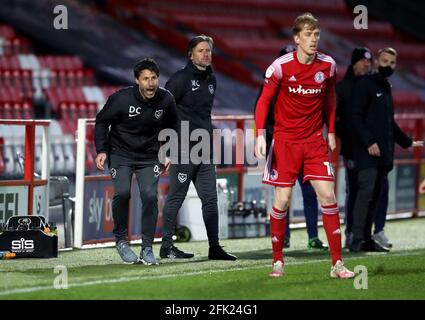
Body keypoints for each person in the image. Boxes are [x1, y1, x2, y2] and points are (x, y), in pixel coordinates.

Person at [255, 13, 354, 278]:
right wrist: (259, 135)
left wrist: (330, 130)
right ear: (297, 38)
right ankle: (278, 261)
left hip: (313, 142)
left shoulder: (328, 66)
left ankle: (337, 264)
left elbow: (330, 98)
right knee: (283, 200)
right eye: (308, 34)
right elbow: (264, 101)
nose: (313, 39)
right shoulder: (280, 67)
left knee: (328, 197)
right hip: (285, 142)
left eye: (316, 34)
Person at [159, 35, 237, 261]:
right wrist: (165, 147)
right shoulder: (180, 79)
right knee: (176, 197)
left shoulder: (212, 80)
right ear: (190, 54)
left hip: (204, 147)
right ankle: (166, 247)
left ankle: (215, 247)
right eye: (201, 50)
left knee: (210, 199)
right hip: (183, 147)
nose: (206, 54)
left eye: (208, 50)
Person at [94, 58, 178, 265]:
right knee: (122, 193)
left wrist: (167, 152)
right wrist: (101, 150)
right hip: (120, 154)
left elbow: (173, 126)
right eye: (145, 79)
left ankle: (147, 248)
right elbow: (102, 122)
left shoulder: (166, 99)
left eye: (154, 78)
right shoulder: (120, 99)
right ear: (137, 81)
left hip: (149, 157)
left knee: (150, 197)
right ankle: (121, 241)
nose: (150, 83)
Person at [349, 47, 424, 252]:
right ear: (376, 62)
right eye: (385, 61)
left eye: (392, 63)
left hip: (383, 155)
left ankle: (366, 239)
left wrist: (407, 142)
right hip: (367, 154)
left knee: (374, 197)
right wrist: (369, 142)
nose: (388, 65)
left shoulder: (386, 86)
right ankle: (356, 239)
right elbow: (355, 116)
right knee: (365, 195)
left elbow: (388, 123)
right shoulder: (365, 84)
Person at [256, 44, 327, 250]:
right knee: (283, 194)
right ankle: (283, 236)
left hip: (305, 145)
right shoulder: (271, 85)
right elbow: (262, 114)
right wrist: (274, 139)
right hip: (283, 147)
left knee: (309, 191)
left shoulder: (305, 83)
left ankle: (312, 236)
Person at [335, 47, 372, 246]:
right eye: (363, 60)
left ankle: (368, 232)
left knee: (373, 190)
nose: (367, 64)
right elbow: (332, 118)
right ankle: (351, 232)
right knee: (354, 190)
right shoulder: (342, 88)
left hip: (371, 147)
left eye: (369, 61)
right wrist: (346, 135)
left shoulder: (372, 85)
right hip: (351, 147)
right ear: (354, 62)